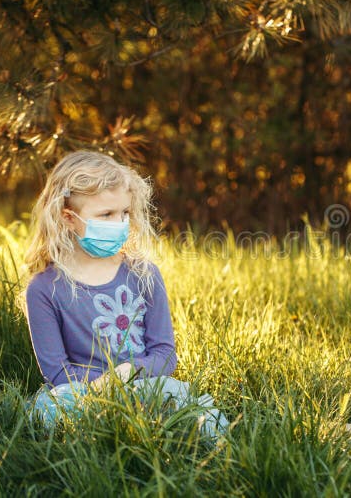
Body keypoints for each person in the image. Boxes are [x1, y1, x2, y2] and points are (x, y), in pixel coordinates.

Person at [23, 150, 226, 437]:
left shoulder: (143, 274)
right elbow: (57, 373)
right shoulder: (44, 289)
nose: (120, 223)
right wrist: (106, 387)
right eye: (106, 214)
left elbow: (165, 356)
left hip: (144, 384)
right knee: (51, 410)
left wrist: (129, 373)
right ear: (68, 218)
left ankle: (217, 450)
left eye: (125, 213)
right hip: (83, 392)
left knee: (192, 410)